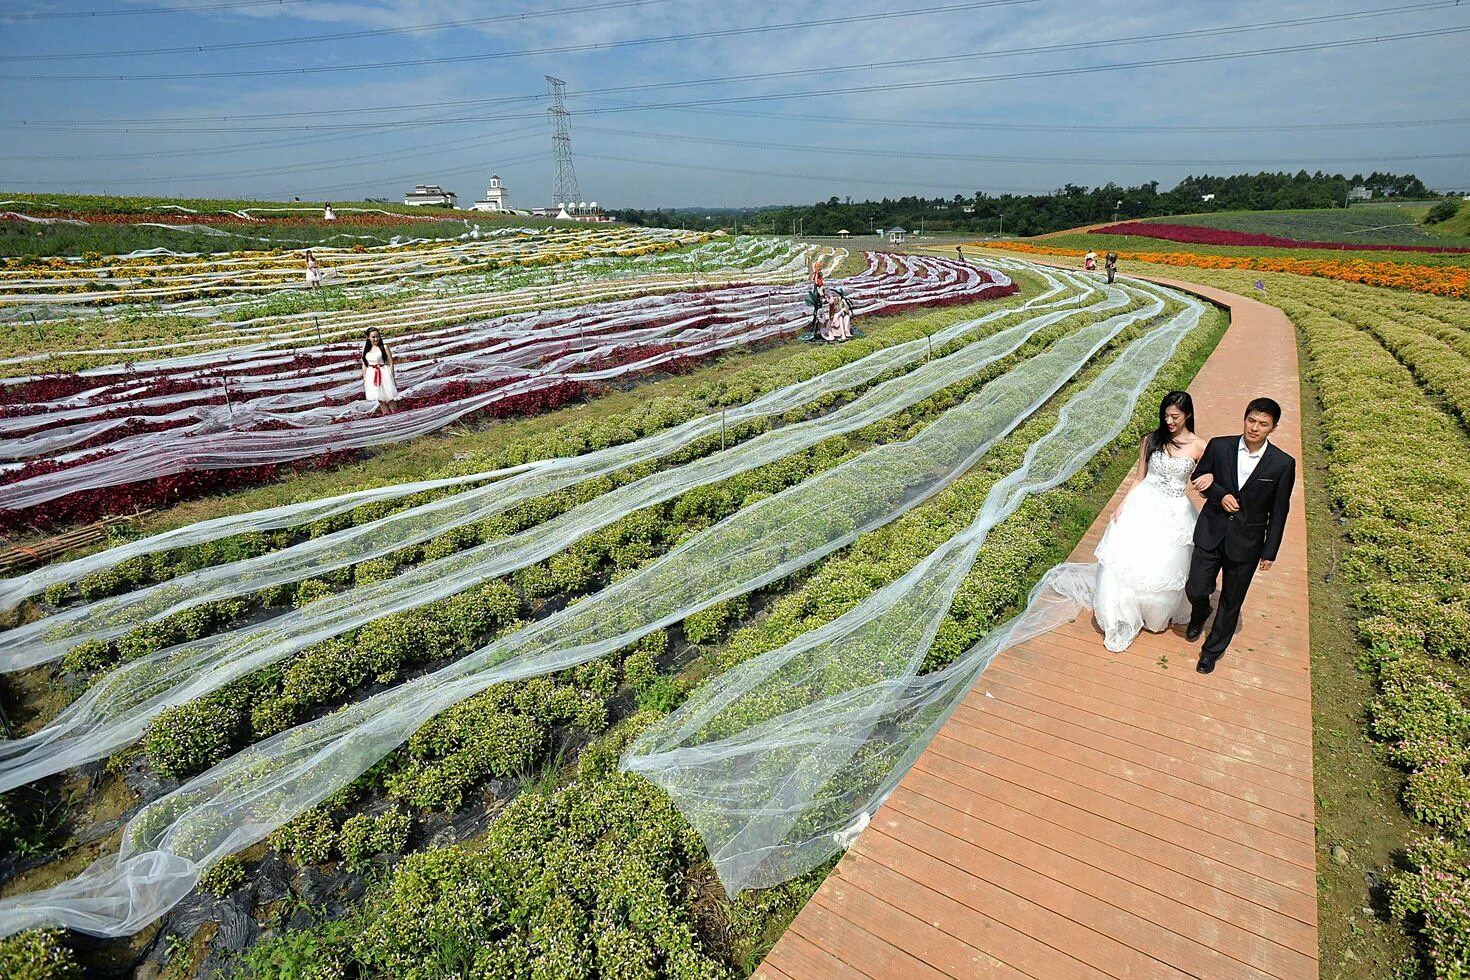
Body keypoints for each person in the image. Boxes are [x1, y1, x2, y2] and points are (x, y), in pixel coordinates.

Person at [1090, 392, 1211, 652]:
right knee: (1132, 558)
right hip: (1143, 503)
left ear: (1187, 415)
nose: (1169, 421)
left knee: (1165, 560)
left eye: (1175, 416)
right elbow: (1139, 478)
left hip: (1176, 510)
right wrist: (1120, 506)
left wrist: (1209, 480)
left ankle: (1153, 611)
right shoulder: (1150, 439)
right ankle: (1125, 610)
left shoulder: (1200, 446)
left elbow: (1206, 480)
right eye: (1165, 415)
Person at [1185, 397, 1296, 673]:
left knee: (1232, 601)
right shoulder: (1220, 446)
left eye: (1263, 424)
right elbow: (1199, 475)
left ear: (1274, 427)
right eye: (1251, 420)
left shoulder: (1282, 464)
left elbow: (1279, 512)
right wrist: (1219, 494)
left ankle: (1211, 651)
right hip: (1211, 531)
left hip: (1247, 542)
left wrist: (1270, 551)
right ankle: (1200, 613)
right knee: (1196, 588)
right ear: (1244, 418)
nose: (1255, 428)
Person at [362, 328, 399, 413]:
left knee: (389, 398)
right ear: (368, 337)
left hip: (384, 373)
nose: (376, 339)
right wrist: (364, 377)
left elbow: (390, 363)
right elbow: (364, 364)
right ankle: (386, 416)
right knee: (380, 399)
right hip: (371, 374)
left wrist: (392, 377)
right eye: (373, 337)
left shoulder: (384, 347)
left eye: (378, 336)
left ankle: (396, 415)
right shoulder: (365, 349)